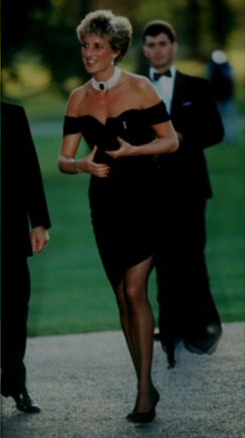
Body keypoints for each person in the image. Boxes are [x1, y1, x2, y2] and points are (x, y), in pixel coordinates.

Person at [57, 10, 178, 423]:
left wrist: (133, 152)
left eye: (97, 46)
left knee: (134, 290)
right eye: (85, 45)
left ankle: (143, 391)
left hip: (146, 198)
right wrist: (82, 166)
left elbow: (171, 141)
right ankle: (145, 381)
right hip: (105, 204)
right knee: (122, 297)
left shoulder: (140, 87)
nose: (88, 53)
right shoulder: (78, 97)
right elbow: (63, 159)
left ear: (117, 51)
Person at [140, 20, 225, 368]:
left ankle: (200, 328)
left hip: (190, 187)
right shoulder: (135, 87)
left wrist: (181, 137)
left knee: (192, 254)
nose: (157, 50)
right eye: (151, 44)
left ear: (173, 47)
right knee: (162, 258)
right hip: (151, 188)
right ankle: (170, 329)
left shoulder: (197, 86)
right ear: (144, 50)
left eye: (163, 43)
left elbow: (215, 131)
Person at [0, 101, 50, 414]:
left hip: (13, 224)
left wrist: (39, 222)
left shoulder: (14, 114)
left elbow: (29, 166)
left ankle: (16, 383)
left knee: (17, 308)